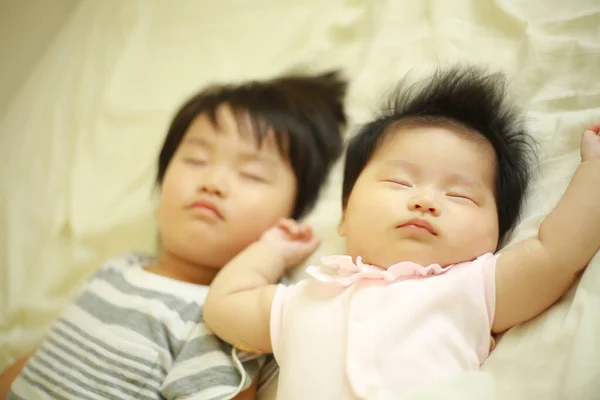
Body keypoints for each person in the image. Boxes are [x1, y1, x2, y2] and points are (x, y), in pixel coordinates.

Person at [203, 65, 600, 399]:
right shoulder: (307, 297)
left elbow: (557, 251)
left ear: (495, 236)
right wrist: (271, 250)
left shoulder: (470, 289)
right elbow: (223, 306)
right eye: (399, 183)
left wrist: (594, 172)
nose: (425, 201)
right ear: (344, 215)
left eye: (460, 195)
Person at [1, 71, 347, 400]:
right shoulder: (118, 268)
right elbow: (41, 363)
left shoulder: (226, 318)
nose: (212, 182)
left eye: (251, 174)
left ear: (290, 218)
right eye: (195, 159)